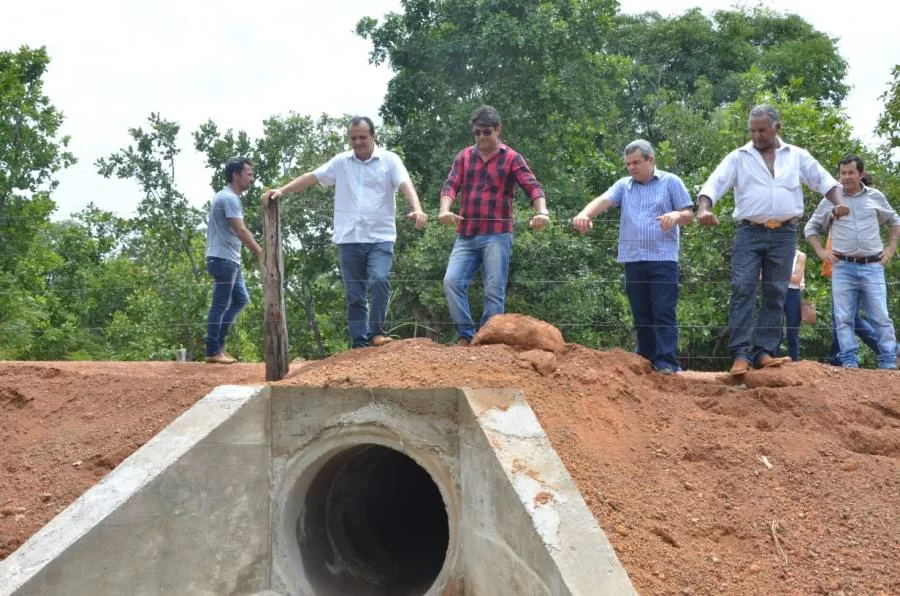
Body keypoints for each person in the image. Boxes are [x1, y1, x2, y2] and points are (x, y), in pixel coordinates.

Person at [696, 104, 849, 375]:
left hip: (784, 232)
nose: (757, 135)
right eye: (752, 130)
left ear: (777, 127)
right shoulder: (739, 157)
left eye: (762, 130)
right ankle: (741, 354)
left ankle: (764, 352)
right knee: (743, 288)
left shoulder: (796, 156)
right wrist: (705, 209)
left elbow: (824, 181)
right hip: (749, 231)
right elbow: (713, 184)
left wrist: (837, 204)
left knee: (776, 291)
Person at [262, 116, 427, 349]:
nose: (358, 142)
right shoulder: (341, 162)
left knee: (380, 279)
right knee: (354, 293)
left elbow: (404, 184)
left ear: (373, 136)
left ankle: (376, 332)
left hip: (379, 237)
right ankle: (359, 342)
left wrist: (417, 209)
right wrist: (282, 190)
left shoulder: (389, 160)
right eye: (353, 138)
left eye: (363, 137)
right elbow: (312, 177)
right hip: (349, 238)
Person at [572, 139, 693, 375]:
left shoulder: (671, 182)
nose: (631, 168)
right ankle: (645, 360)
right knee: (640, 312)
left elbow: (689, 213)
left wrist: (676, 215)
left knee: (663, 311)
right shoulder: (623, 185)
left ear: (651, 160)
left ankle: (667, 362)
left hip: (663, 258)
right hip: (633, 258)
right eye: (628, 164)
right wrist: (584, 214)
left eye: (636, 162)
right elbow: (604, 200)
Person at [438, 105, 549, 346]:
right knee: (452, 281)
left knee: (493, 290)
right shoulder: (464, 157)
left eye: (486, 132)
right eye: (476, 133)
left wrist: (542, 212)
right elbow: (450, 185)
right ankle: (466, 336)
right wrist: (445, 210)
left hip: (497, 234)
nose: (480, 137)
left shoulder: (511, 157)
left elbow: (533, 187)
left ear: (497, 129)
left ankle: (489, 342)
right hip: (466, 234)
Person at [804, 154, 899, 369]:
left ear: (861, 174)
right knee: (843, 318)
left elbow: (894, 221)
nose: (846, 177)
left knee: (881, 317)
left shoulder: (875, 197)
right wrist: (821, 252)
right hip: (843, 266)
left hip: (873, 266)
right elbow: (810, 228)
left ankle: (888, 362)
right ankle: (849, 363)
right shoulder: (830, 199)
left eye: (851, 173)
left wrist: (891, 248)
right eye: (843, 173)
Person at [205, 157, 263, 364]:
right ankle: (213, 350)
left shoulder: (225, 197)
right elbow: (240, 229)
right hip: (224, 260)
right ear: (235, 175)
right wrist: (260, 252)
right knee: (219, 305)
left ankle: (217, 346)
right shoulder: (229, 199)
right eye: (249, 174)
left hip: (229, 260)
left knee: (241, 300)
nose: (252, 178)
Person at [821, 231, 881, 365]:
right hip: (843, 271)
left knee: (844, 316)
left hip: (851, 271)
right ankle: (836, 358)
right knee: (842, 316)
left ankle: (837, 358)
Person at [778, 249, 807, 361]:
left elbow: (796, 279)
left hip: (793, 294)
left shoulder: (800, 256)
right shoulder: (775, 252)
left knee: (792, 332)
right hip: (778, 291)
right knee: (776, 330)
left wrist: (777, 273)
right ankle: (772, 359)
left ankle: (794, 362)